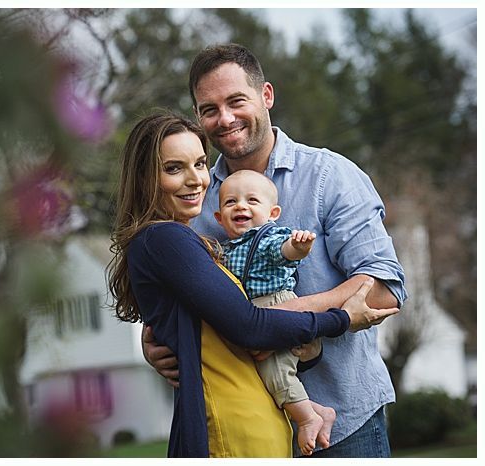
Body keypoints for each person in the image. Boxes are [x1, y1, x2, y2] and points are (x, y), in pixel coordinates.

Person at [141, 44, 408, 457]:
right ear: (198, 117)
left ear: (266, 96)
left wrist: (274, 318)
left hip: (345, 423)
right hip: (253, 433)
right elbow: (179, 290)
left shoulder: (328, 176)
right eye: (209, 109)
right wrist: (155, 343)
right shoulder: (195, 197)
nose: (225, 119)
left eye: (236, 101)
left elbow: (385, 288)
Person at [213, 169, 334, 455]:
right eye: (231, 202)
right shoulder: (228, 249)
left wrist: (298, 246)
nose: (241, 206)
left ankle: (307, 419)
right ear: (219, 217)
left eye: (252, 200)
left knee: (276, 373)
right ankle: (318, 411)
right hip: (255, 316)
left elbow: (282, 251)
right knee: (266, 379)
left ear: (273, 212)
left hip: (277, 309)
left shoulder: (266, 236)